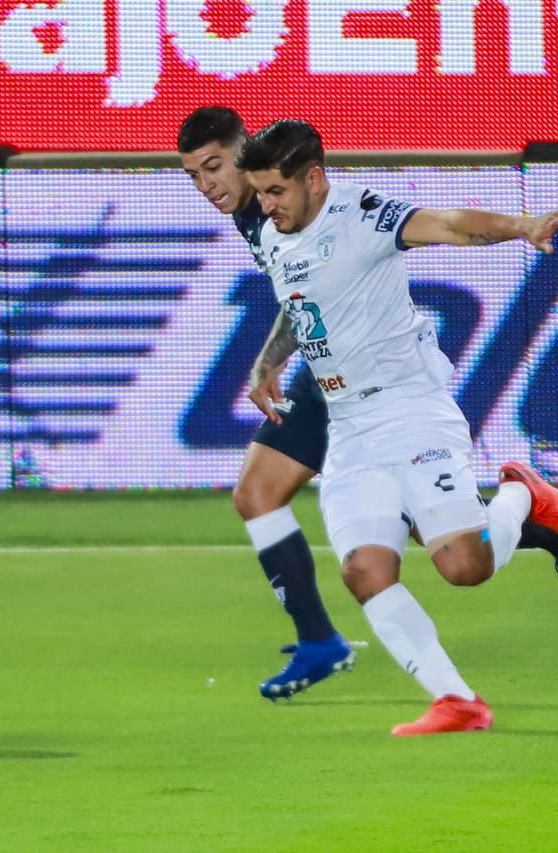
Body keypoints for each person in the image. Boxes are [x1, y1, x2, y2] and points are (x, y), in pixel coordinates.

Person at [236, 118, 558, 735]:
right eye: (261, 192)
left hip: (408, 408)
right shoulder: (275, 234)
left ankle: (527, 495)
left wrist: (522, 226)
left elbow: (453, 224)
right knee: (364, 572)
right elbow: (300, 306)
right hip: (346, 423)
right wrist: (270, 361)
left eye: (276, 191)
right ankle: (458, 701)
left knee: (464, 566)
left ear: (314, 178)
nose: (266, 206)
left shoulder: (363, 214)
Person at [179, 107, 354, 701]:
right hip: (324, 371)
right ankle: (319, 642)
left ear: (242, 152)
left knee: (444, 540)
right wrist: (273, 359)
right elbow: (299, 293)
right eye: (194, 178)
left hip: (368, 377)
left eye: (213, 168)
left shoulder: (286, 205)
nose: (206, 187)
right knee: (256, 494)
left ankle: (540, 517)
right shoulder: (253, 212)